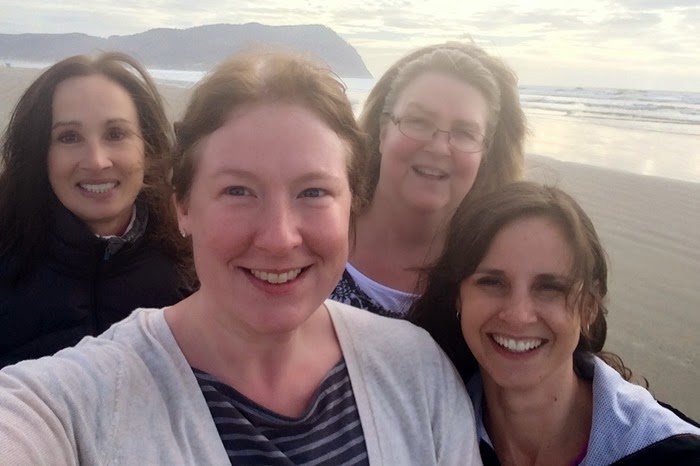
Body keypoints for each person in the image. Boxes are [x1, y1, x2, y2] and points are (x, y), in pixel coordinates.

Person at [0, 50, 482, 465]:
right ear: (182, 206)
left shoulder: (417, 370)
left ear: (352, 205)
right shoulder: (78, 399)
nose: (278, 238)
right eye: (237, 190)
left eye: (313, 192)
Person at [410, 181, 700, 465]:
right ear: (459, 297)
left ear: (589, 308)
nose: (519, 315)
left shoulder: (673, 455)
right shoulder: (422, 427)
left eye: (550, 288)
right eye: (492, 282)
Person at [0, 52, 194, 368]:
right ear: (39, 153)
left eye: (116, 134)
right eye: (69, 137)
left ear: (147, 147)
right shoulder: (7, 251)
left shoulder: (193, 262)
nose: (96, 161)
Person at [330, 40, 527, 318]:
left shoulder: (495, 277)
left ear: (484, 154)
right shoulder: (314, 234)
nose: (438, 148)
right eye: (418, 121)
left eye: (465, 133)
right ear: (384, 131)